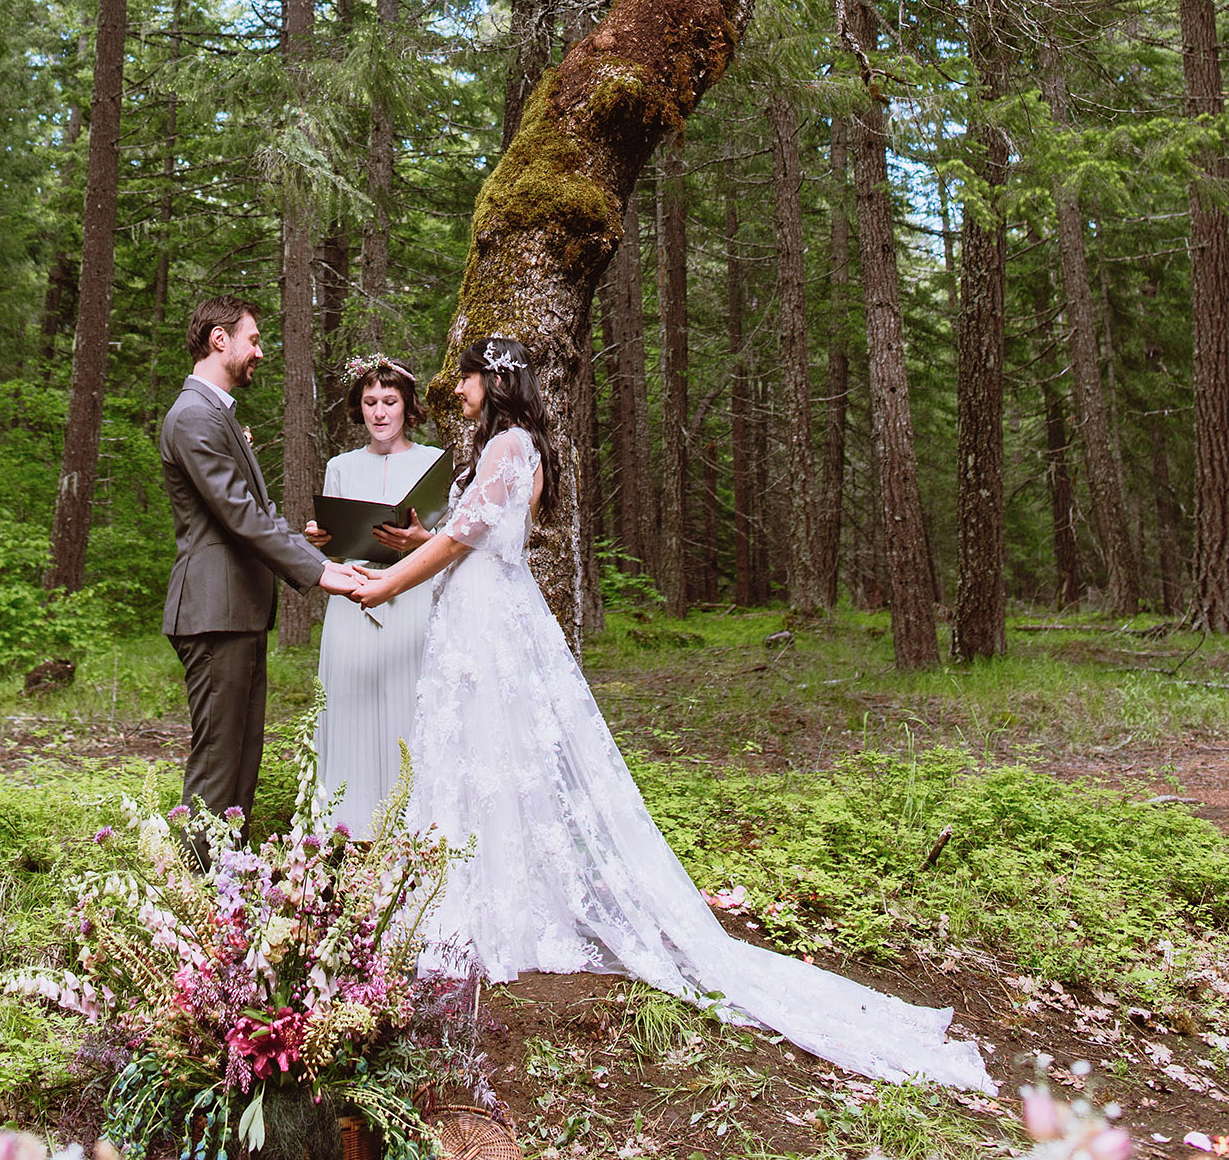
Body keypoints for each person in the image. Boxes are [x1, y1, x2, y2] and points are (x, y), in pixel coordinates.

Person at [352, 337, 993, 1093]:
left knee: (492, 752)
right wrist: (416, 543)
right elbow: (477, 539)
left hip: (488, 623)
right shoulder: (513, 447)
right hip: (488, 612)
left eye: (461, 376)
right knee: (489, 755)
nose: (452, 387)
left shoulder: (508, 443)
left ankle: (493, 910)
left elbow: (470, 538)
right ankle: (497, 902)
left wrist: (389, 581)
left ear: (490, 380)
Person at [159, 295, 367, 849]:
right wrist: (321, 577)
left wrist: (323, 560)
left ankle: (227, 888)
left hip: (239, 611)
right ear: (218, 340)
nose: (260, 351)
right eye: (253, 339)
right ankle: (191, 898)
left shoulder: (217, 413)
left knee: (243, 759)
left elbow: (262, 514)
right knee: (217, 762)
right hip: (212, 612)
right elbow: (240, 516)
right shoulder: (193, 416)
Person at [303, 356, 442, 835]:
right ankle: (349, 830)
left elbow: (450, 542)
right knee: (351, 708)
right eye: (369, 403)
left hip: (412, 597)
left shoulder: (431, 462)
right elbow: (333, 542)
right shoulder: (340, 466)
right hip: (353, 598)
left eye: (390, 402)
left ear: (407, 407)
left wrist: (418, 541)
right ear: (357, 408)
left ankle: (413, 832)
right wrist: (320, 540)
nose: (379, 413)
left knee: (410, 710)